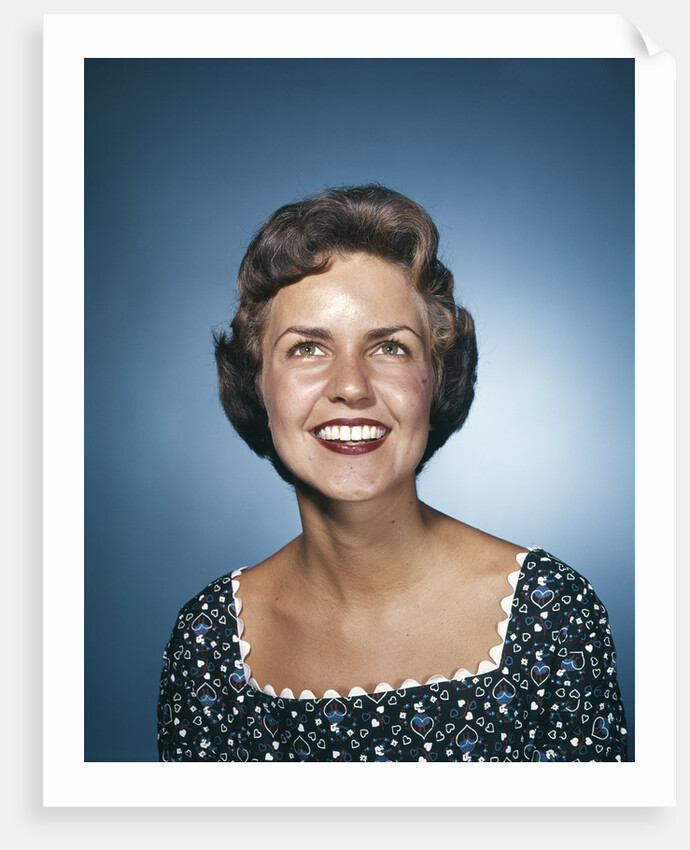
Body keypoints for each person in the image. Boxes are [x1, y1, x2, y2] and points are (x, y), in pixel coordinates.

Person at [157, 184, 627, 762]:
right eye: (307, 348)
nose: (350, 386)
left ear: (437, 376)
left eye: (390, 348)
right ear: (259, 383)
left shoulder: (551, 614)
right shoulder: (209, 644)